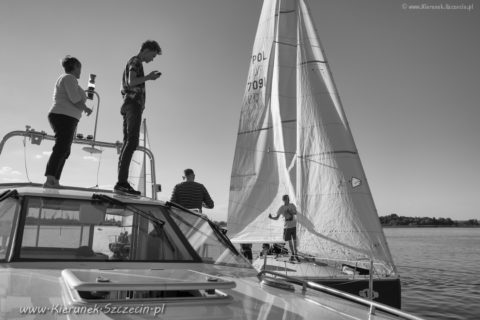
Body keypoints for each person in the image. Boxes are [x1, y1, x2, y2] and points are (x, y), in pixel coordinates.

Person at [115, 40, 162, 195]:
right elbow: (131, 81)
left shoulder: (134, 62)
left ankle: (121, 182)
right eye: (153, 55)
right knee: (132, 141)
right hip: (132, 104)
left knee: (128, 142)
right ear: (147, 50)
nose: (152, 59)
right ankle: (122, 182)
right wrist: (148, 77)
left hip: (129, 104)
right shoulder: (135, 61)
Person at [44, 56, 92, 188]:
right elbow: (75, 98)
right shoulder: (69, 78)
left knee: (65, 149)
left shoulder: (70, 80)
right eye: (80, 68)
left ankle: (55, 179)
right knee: (61, 147)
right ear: (75, 66)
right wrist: (86, 108)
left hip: (67, 117)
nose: (80, 71)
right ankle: (50, 179)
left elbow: (76, 96)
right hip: (62, 116)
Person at [268, 194, 300, 262]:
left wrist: (290, 212)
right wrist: (271, 217)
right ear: (283, 200)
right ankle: (293, 254)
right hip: (287, 227)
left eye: (287, 198)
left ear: (288, 199)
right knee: (289, 241)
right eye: (285, 199)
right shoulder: (281, 208)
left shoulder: (292, 205)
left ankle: (295, 255)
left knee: (294, 241)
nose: (286, 200)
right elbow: (277, 218)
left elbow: (295, 212)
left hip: (293, 226)